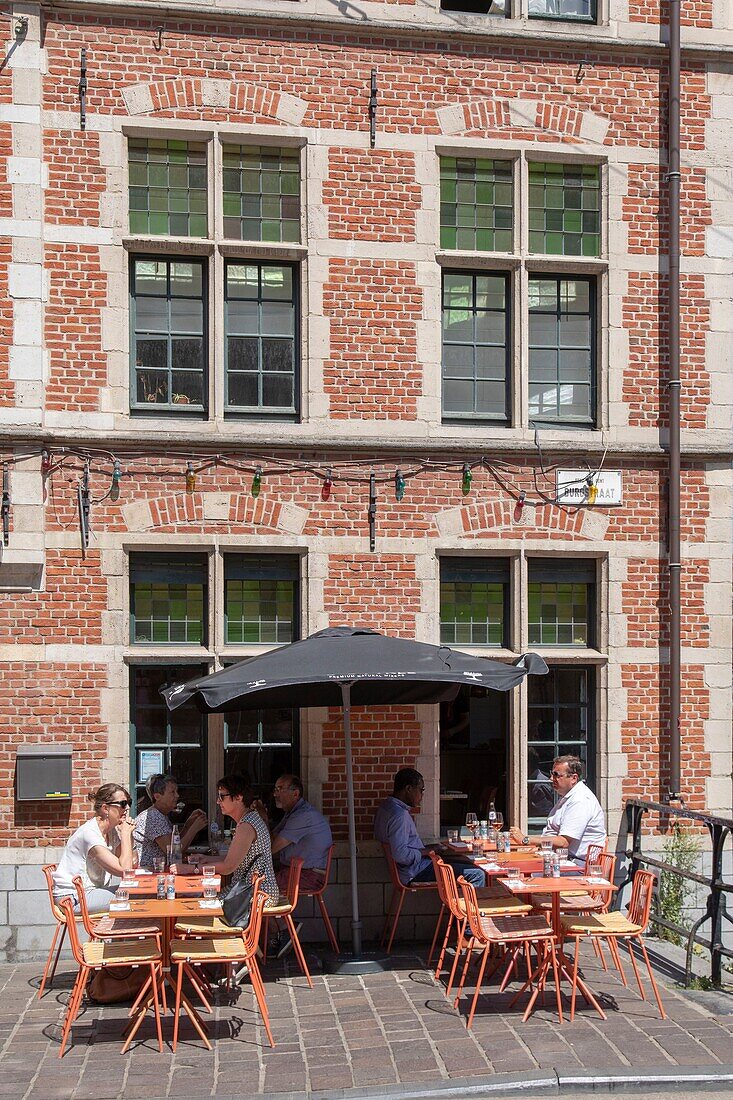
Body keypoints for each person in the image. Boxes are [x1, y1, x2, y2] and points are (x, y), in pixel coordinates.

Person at [374, 767, 485, 888]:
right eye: (421, 790)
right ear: (409, 789)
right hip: (415, 872)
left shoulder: (386, 807)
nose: (421, 795)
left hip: (412, 869)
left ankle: (457, 906)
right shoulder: (399, 815)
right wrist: (427, 851)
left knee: (468, 865)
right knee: (477, 874)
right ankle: (466, 907)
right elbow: (401, 855)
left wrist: (429, 849)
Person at [175, 773, 278, 902]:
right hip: (250, 892)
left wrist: (191, 869)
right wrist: (206, 859)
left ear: (238, 797)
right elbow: (236, 858)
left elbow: (228, 867)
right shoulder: (249, 819)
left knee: (196, 902)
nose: (218, 801)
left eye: (222, 797)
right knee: (198, 898)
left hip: (254, 896)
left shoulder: (246, 826)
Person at [52, 782, 136, 913]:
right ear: (105, 808)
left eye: (129, 802)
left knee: (139, 891)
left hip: (90, 892)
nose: (128, 807)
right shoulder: (90, 834)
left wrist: (129, 837)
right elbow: (124, 870)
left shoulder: (111, 831)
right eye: (123, 804)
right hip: (73, 898)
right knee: (135, 897)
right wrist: (125, 834)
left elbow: (132, 864)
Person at [510, 754, 606, 866]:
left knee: (521, 874)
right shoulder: (568, 797)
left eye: (556, 775)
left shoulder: (580, 800)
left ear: (573, 778)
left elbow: (563, 842)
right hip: (561, 859)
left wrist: (525, 840)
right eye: (552, 774)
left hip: (578, 865)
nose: (551, 779)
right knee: (518, 866)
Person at [271, 774, 333, 895]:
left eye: (280, 789)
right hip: (295, 870)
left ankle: (267, 914)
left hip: (308, 875)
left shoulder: (303, 815)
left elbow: (272, 847)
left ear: (295, 793)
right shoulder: (292, 812)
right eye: (275, 790)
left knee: (259, 886)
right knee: (254, 879)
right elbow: (272, 838)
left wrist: (262, 817)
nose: (275, 794)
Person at [133, 773, 208, 870]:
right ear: (157, 796)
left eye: (176, 791)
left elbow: (175, 843)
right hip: (149, 873)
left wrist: (189, 823)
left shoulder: (159, 815)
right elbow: (174, 853)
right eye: (172, 792)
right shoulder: (154, 817)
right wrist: (194, 828)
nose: (177, 795)